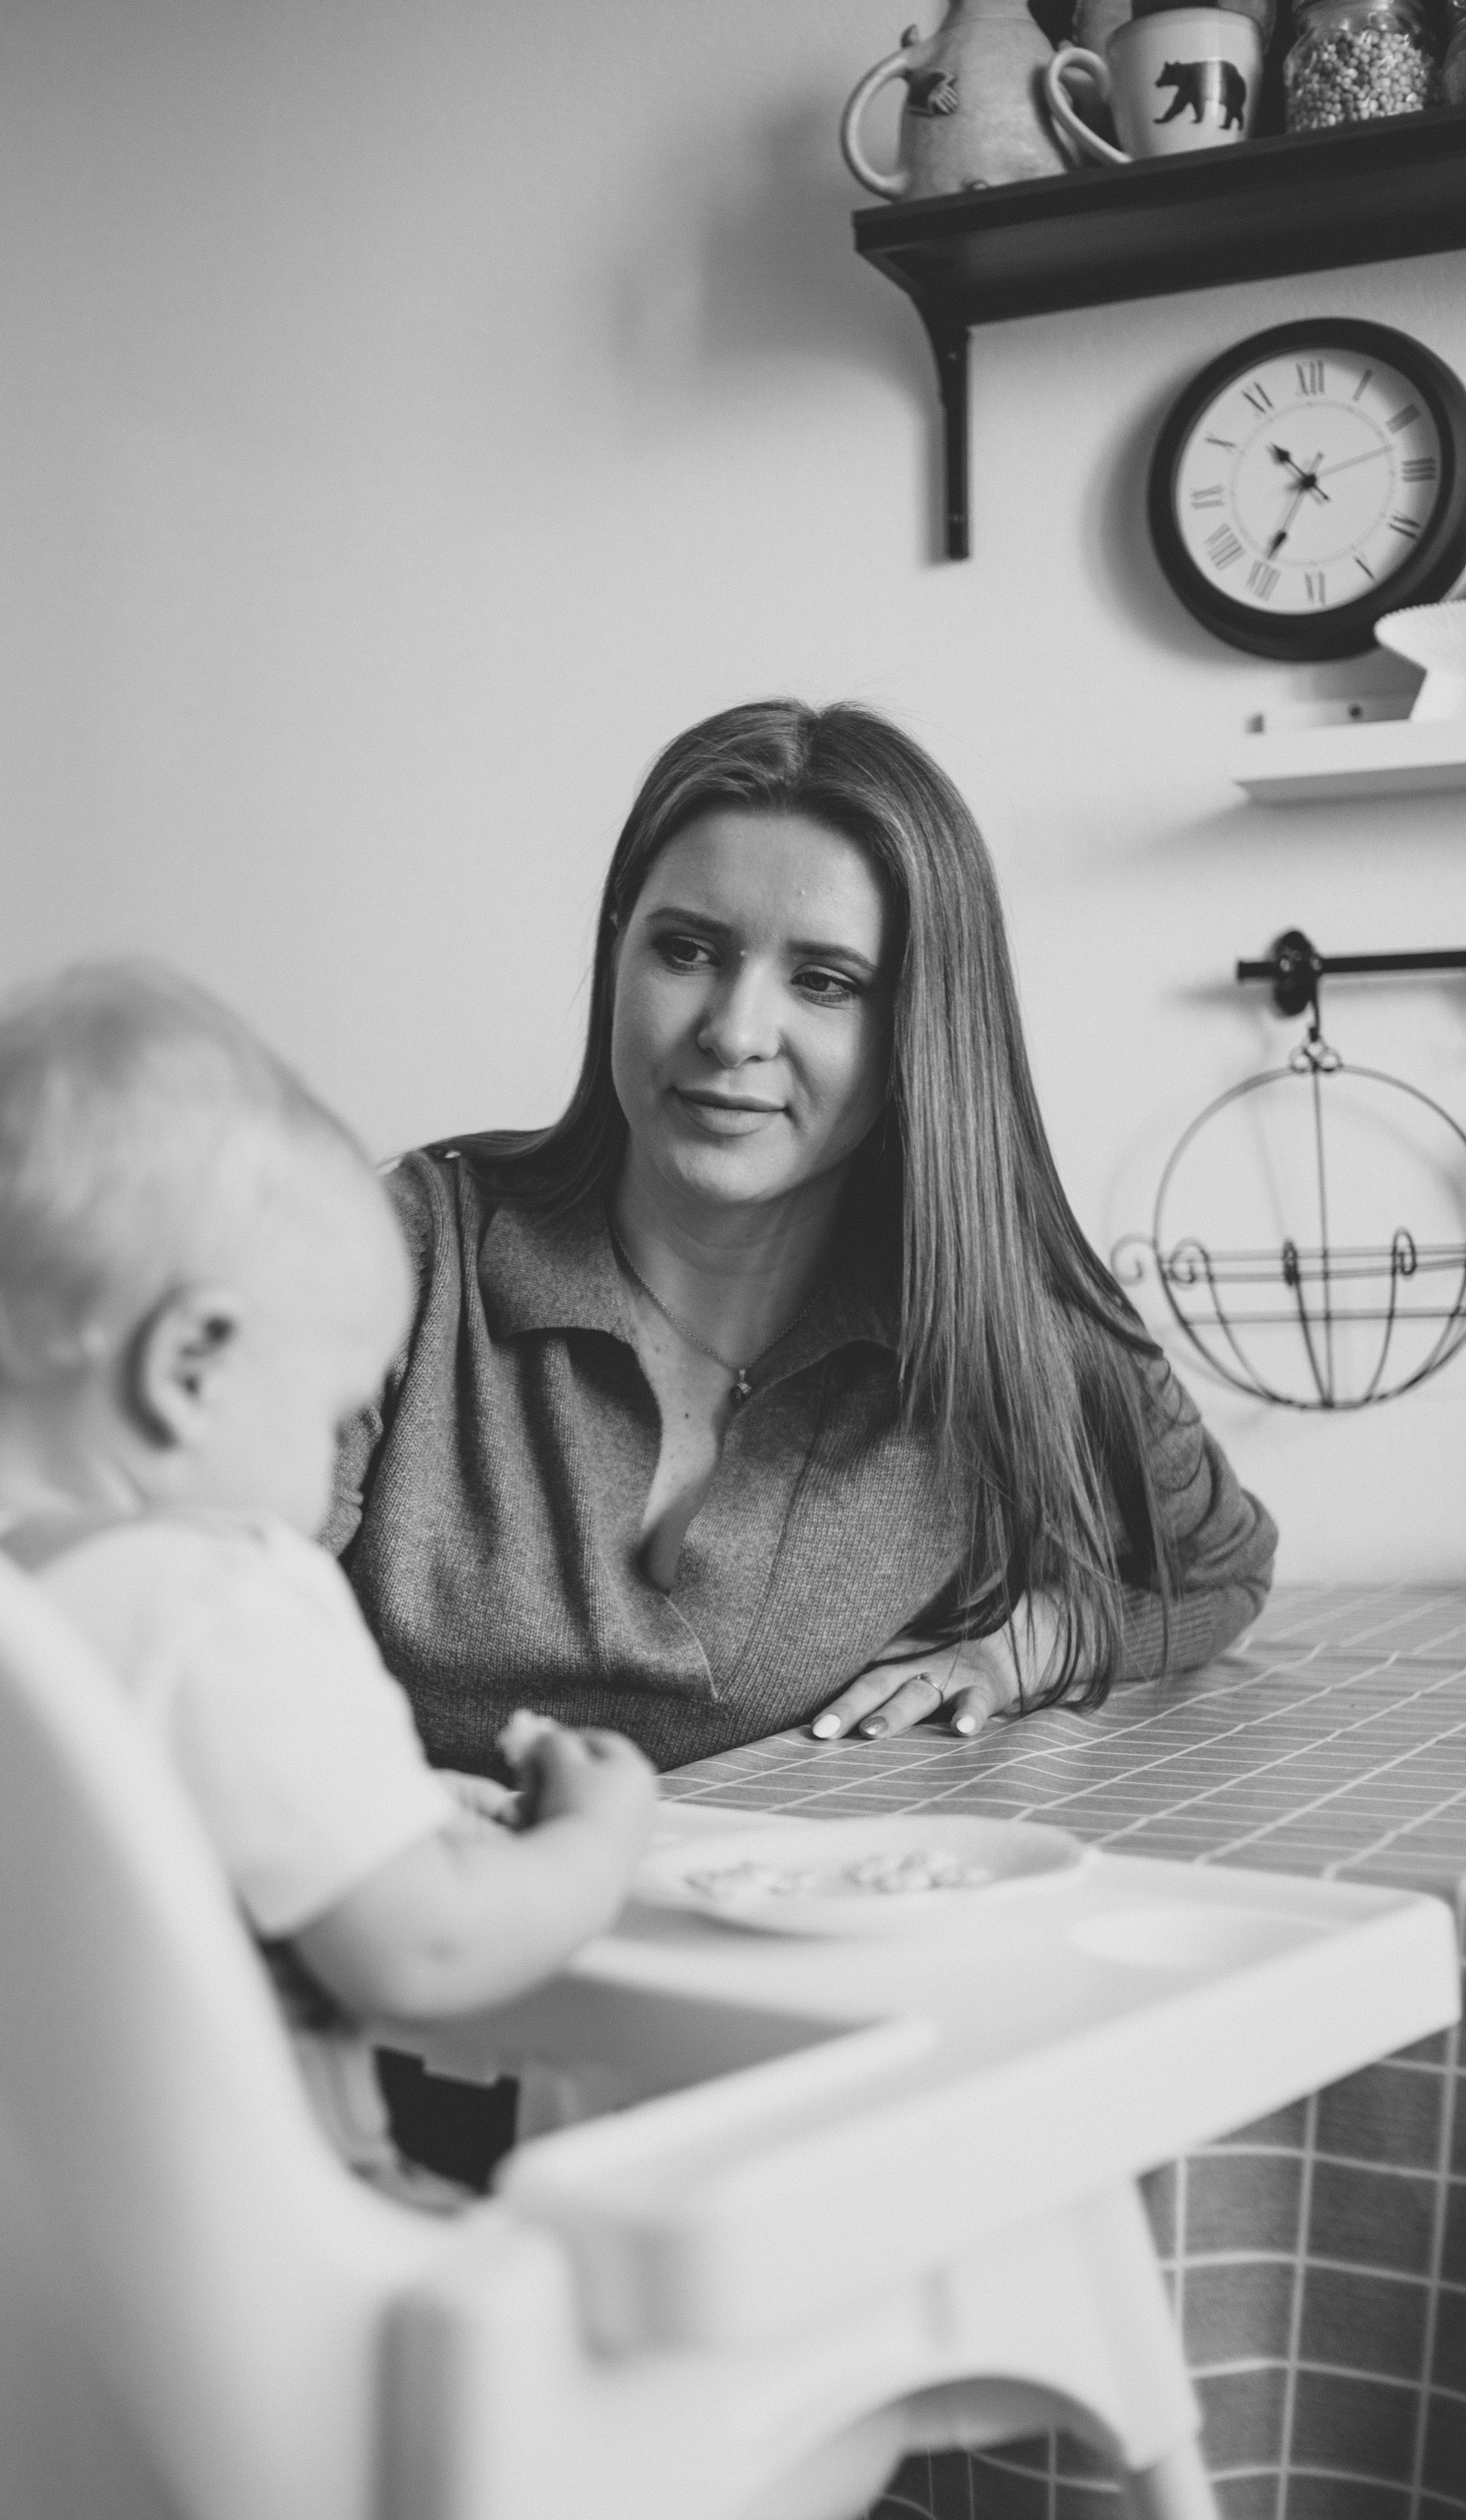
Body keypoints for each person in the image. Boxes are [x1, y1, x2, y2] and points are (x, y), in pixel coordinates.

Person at [0, 957, 657, 2520]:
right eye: (333, 1420)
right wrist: (596, 1844)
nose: (332, 1487)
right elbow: (433, 1957)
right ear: (189, 1367)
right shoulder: (216, 1600)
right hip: (255, 2376)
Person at [331, 699, 1276, 1782]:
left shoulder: (1011, 1325)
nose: (734, 1032)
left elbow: (1222, 1574)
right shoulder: (390, 1255)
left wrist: (1032, 1645)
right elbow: (191, 1620)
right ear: (616, 960)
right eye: (687, 951)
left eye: (824, 981)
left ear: (921, 1026)